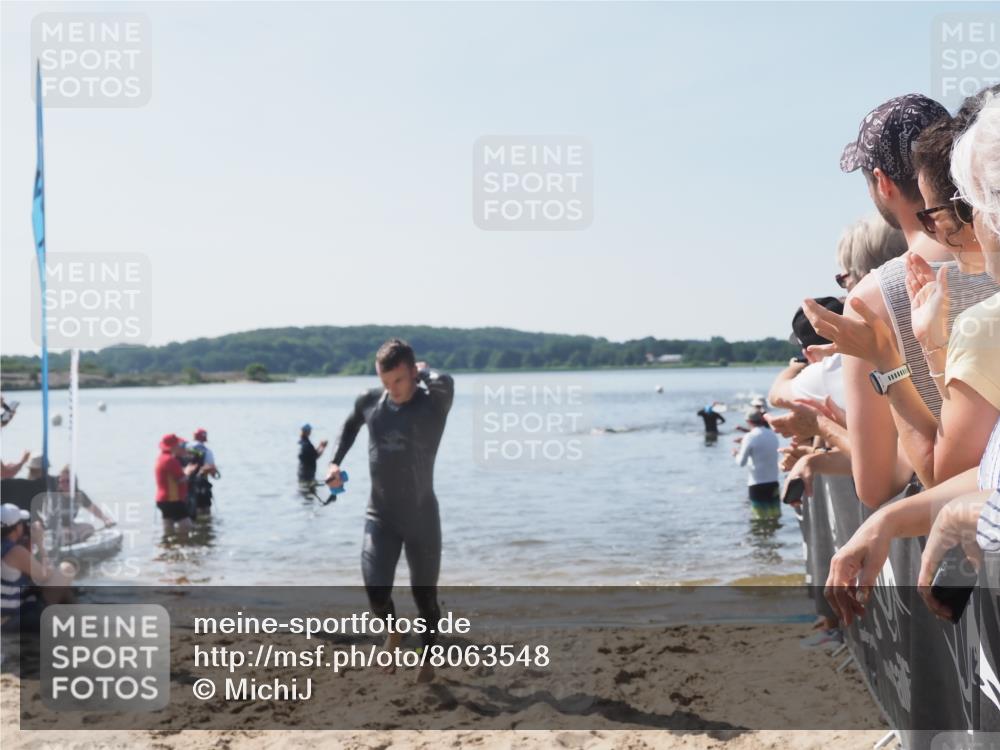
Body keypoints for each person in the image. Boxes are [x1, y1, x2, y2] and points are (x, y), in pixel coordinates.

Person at [805, 95, 1000, 493]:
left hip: (956, 533)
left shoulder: (870, 300)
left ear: (882, 183)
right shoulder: (989, 260)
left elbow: (877, 485)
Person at [325, 339, 454, 683]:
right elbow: (350, 425)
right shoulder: (371, 402)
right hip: (380, 516)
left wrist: (426, 372)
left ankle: (427, 654)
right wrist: (334, 463)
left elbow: (446, 380)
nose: (392, 390)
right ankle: (393, 631)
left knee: (425, 598)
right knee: (376, 591)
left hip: (422, 518)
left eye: (399, 380)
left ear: (413, 372)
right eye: (385, 382)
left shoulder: (435, 404)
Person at [1, 503, 73, 634]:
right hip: (10, 623)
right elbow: (47, 575)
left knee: (40, 588)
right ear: (17, 528)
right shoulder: (16, 552)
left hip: (7, 612)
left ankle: (73, 610)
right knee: (66, 569)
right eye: (22, 523)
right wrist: (40, 543)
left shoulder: (9, 549)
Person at [49, 465, 115, 545]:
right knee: (65, 535)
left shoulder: (79, 495)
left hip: (71, 527)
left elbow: (93, 509)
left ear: (74, 481)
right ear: (59, 482)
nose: (65, 484)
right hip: (56, 528)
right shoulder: (54, 496)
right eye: (62, 481)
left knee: (89, 528)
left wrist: (106, 519)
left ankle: (75, 541)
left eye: (68, 481)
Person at [733, 410, 780, 520]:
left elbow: (741, 462)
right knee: (775, 517)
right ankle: (774, 536)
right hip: (773, 482)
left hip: (757, 484)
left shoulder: (749, 437)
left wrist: (736, 454)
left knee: (759, 519)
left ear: (748, 421)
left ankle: (761, 537)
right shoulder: (772, 434)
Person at [155, 434, 199, 538]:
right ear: (173, 447)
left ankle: (168, 547)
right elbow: (180, 479)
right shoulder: (170, 460)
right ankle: (181, 547)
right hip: (173, 500)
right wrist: (188, 472)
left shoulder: (161, 458)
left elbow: (171, 477)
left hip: (162, 500)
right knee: (187, 526)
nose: (181, 446)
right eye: (179, 445)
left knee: (168, 526)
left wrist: (184, 472)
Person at [187, 430, 219, 518]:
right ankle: (204, 528)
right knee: (205, 510)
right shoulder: (207, 451)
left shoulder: (185, 448)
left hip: (186, 485)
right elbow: (213, 472)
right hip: (202, 484)